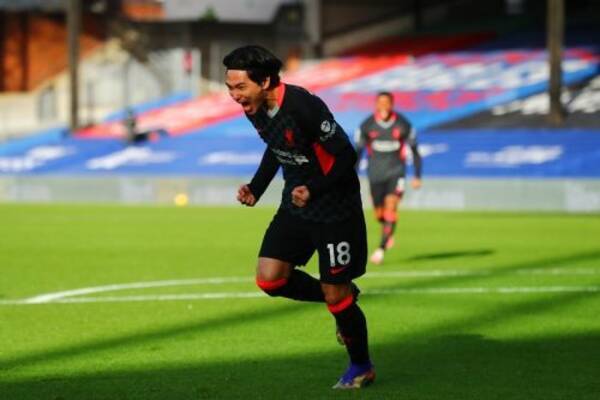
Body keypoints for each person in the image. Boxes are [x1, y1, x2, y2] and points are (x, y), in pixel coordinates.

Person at [223, 45, 374, 389]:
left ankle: (361, 366)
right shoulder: (254, 108)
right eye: (229, 87)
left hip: (335, 208)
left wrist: (314, 189)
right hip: (296, 204)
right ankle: (345, 293)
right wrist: (257, 187)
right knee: (270, 280)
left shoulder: (304, 106)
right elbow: (276, 146)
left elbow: (346, 156)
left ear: (264, 81)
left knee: (336, 299)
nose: (234, 95)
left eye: (240, 87)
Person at [355, 92, 422, 265]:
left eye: (387, 102)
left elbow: (415, 151)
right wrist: (352, 174)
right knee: (379, 214)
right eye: (381, 102)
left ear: (392, 104)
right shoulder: (367, 125)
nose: (384, 106)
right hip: (375, 173)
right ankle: (388, 230)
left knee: (391, 207)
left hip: (396, 172)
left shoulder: (403, 124)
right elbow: (358, 152)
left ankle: (381, 249)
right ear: (376, 105)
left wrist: (417, 175)